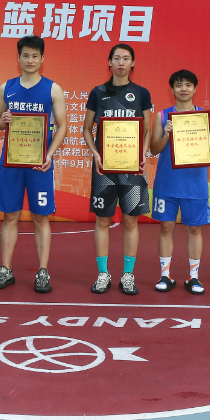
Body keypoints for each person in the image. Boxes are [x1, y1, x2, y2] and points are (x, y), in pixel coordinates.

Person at [0, 35, 67, 293]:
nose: (30, 60)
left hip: (39, 164)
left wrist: (49, 154)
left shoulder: (53, 89)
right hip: (12, 162)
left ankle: (43, 272)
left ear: (42, 59)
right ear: (18, 58)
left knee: (41, 217)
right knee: (10, 215)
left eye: (35, 56)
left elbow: (62, 126)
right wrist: (3, 119)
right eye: (25, 55)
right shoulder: (7, 87)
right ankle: (5, 269)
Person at [83, 44, 152, 295]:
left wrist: (143, 153)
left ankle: (128, 275)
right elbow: (86, 129)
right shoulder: (98, 92)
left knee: (130, 221)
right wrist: (96, 153)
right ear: (109, 62)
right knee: (102, 220)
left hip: (132, 169)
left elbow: (147, 129)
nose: (121, 62)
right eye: (116, 58)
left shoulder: (141, 93)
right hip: (104, 170)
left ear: (133, 64)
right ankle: (103, 274)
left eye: (126, 58)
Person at [149, 70, 210, 295]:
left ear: (195, 88)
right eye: (179, 85)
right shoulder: (162, 116)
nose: (183, 89)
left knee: (194, 229)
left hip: (195, 183)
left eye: (188, 85)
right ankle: (165, 275)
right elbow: (154, 149)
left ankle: (193, 277)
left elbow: (209, 150)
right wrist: (166, 134)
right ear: (172, 89)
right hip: (167, 182)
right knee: (166, 227)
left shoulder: (205, 117)